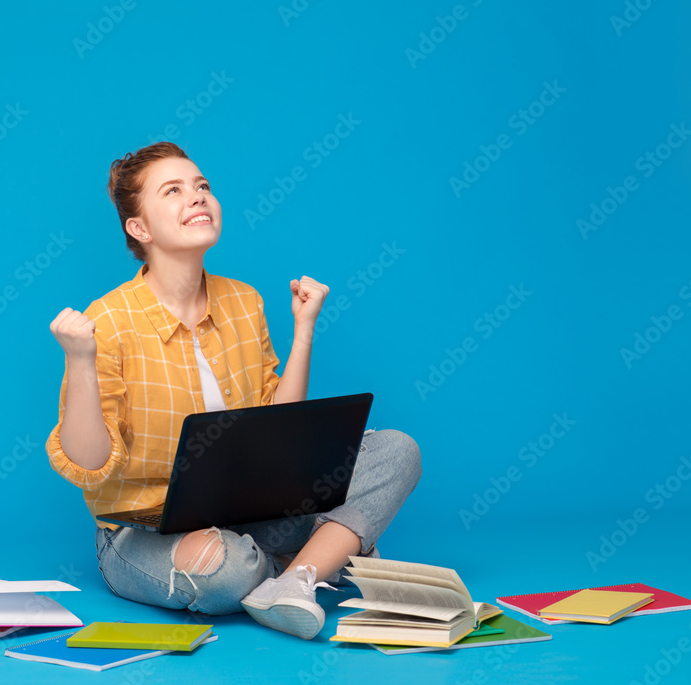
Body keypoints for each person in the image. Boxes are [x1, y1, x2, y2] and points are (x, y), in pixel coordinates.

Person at [46, 141, 421, 639]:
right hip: (144, 532)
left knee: (398, 450)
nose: (197, 197)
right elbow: (89, 463)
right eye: (173, 191)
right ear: (139, 228)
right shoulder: (106, 321)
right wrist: (79, 361)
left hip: (252, 514)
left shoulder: (244, 301)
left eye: (202, 186)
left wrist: (304, 330)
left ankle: (295, 578)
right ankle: (324, 559)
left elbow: (283, 432)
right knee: (229, 570)